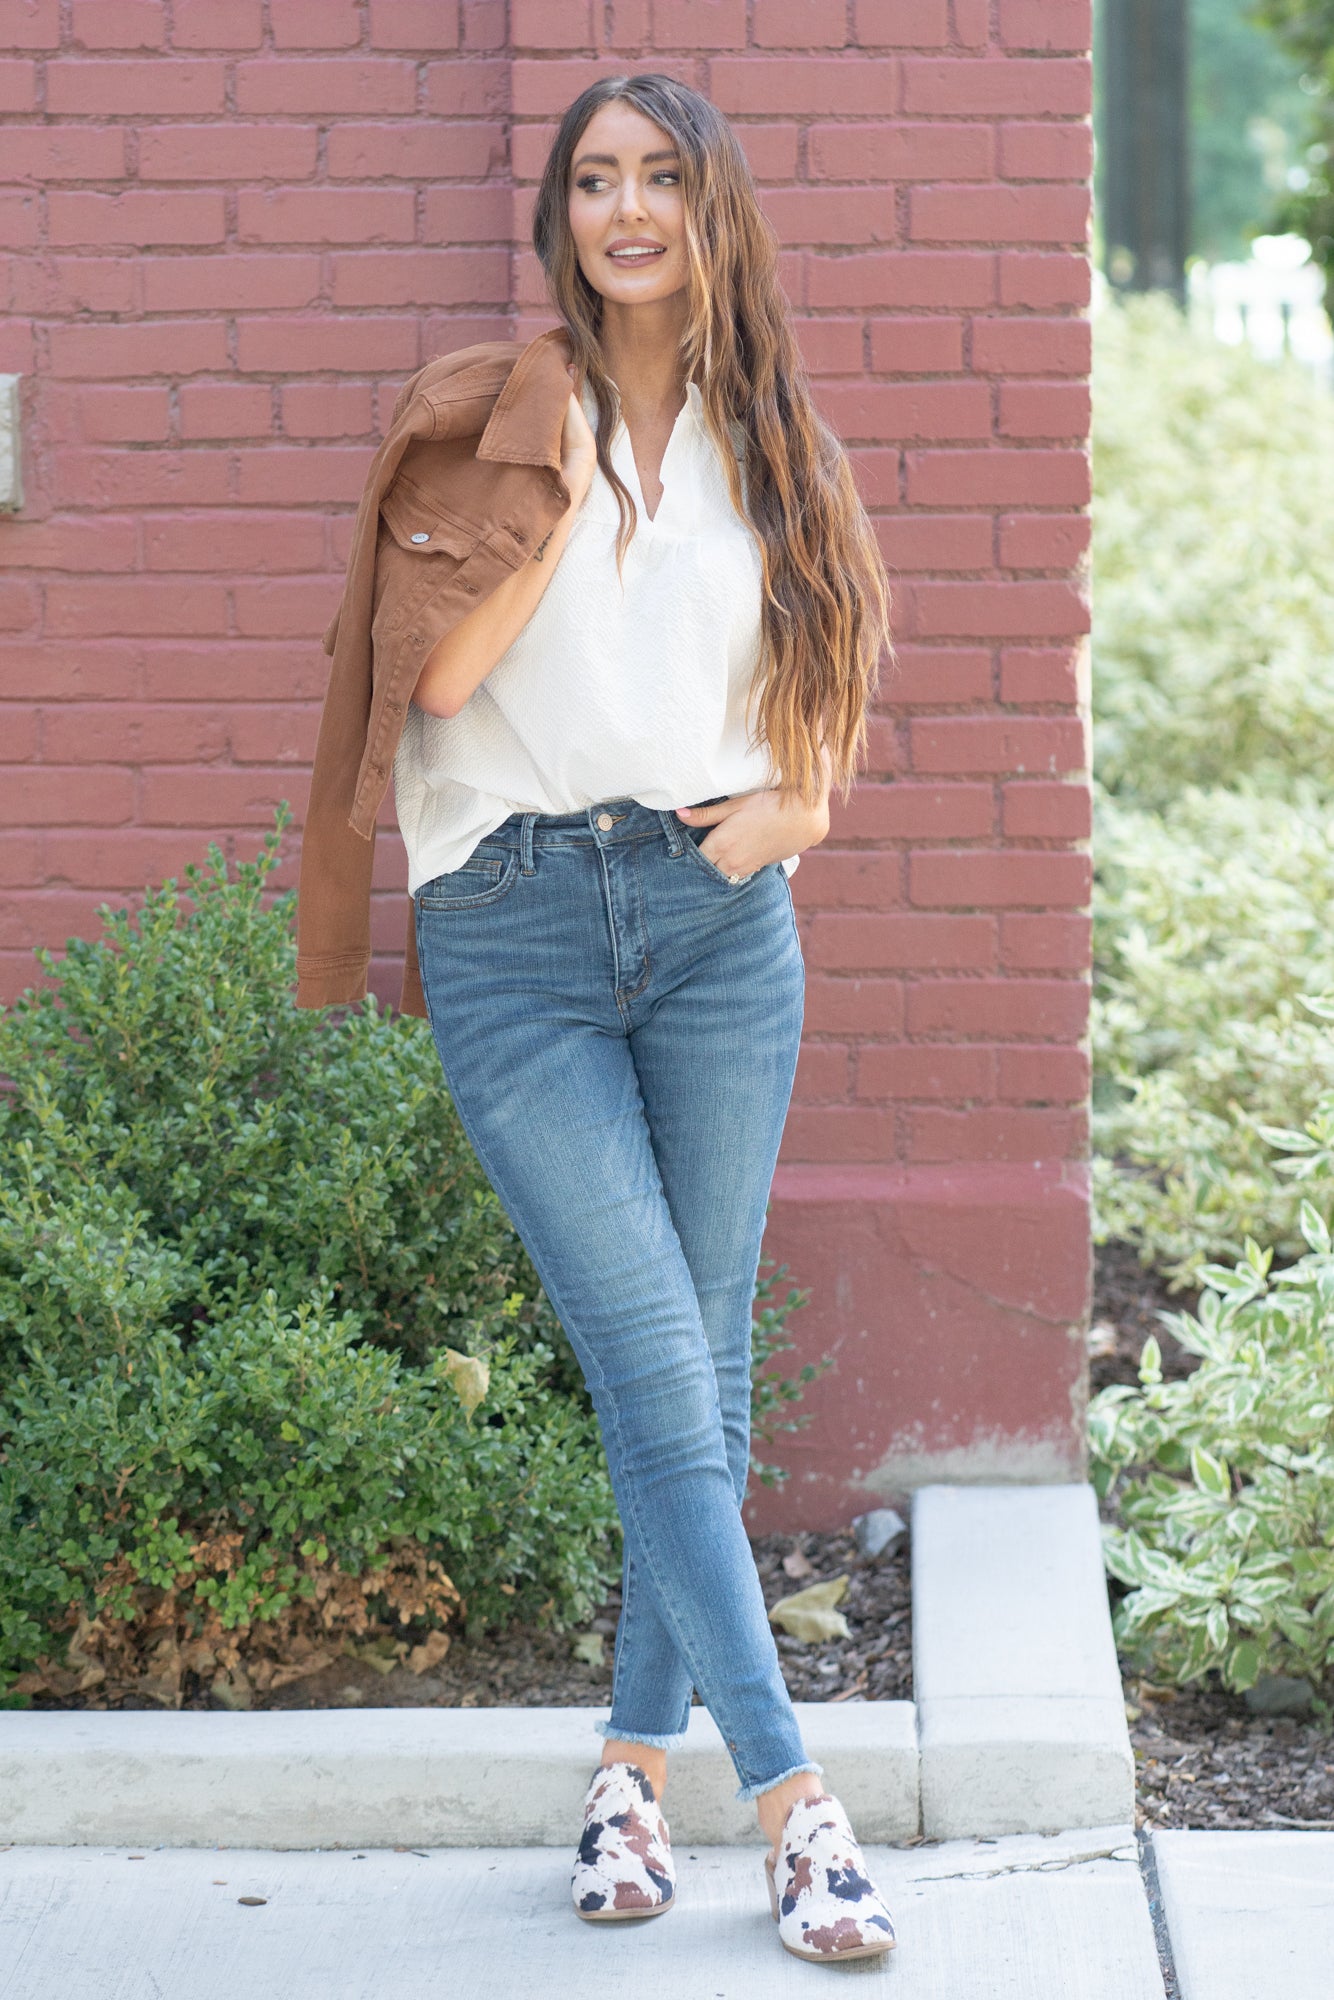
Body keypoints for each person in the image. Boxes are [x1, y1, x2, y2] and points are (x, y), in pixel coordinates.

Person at [301, 70, 896, 1965]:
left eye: (657, 178)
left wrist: (801, 806)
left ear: (711, 210)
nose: (624, 209)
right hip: (515, 923)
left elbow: (833, 648)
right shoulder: (497, 414)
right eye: (592, 180)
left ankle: (631, 1779)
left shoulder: (770, 431)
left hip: (716, 920)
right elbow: (436, 681)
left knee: (696, 1371)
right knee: (650, 1360)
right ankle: (796, 1809)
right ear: (559, 214)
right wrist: (554, 498)